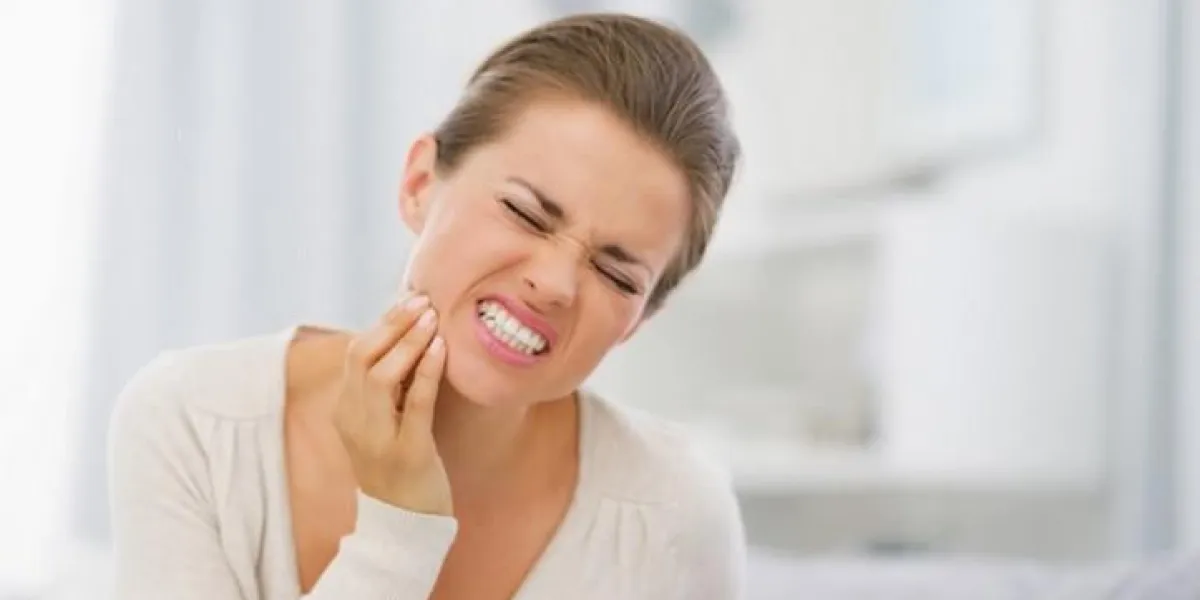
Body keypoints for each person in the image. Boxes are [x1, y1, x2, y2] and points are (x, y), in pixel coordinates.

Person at [107, 12, 744, 600]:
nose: (555, 284)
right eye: (524, 212)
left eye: (615, 272)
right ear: (418, 186)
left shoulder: (674, 514)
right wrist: (397, 534)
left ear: (640, 319)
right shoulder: (196, 424)